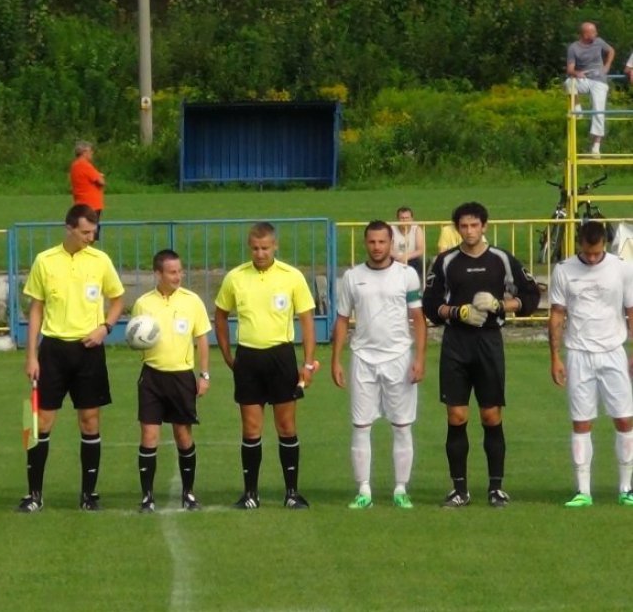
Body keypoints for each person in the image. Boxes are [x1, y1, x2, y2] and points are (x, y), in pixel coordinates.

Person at [422, 202, 540, 508]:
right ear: (457, 228)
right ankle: (459, 489)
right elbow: (430, 305)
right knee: (456, 414)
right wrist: (457, 312)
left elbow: (530, 296)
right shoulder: (446, 261)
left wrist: (501, 305)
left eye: (475, 225)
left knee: (491, 415)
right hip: (456, 343)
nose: (470, 231)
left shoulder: (501, 258)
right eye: (464, 226)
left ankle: (496, 488)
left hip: (488, 341)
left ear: (484, 226)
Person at [20, 204, 124, 512]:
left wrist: (105, 327)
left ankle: (88, 495)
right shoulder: (45, 260)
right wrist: (31, 355)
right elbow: (36, 308)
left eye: (94, 232)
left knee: (90, 421)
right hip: (52, 351)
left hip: (89, 352)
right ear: (68, 229)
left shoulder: (101, 260)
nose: (91, 238)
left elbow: (118, 300)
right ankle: (34, 495)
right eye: (85, 232)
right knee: (36, 420)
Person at [214, 222, 318, 509]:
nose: (260, 253)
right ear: (250, 247)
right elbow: (220, 315)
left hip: (281, 357)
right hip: (247, 358)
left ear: (275, 246)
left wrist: (308, 364)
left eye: (265, 248)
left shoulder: (292, 277)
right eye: (255, 248)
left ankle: (292, 493)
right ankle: (250, 494)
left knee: (286, 426)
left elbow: (308, 321)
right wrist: (227, 355)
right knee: (250, 429)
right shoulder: (235, 277)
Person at [331, 221, 426, 509]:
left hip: (399, 357)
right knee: (361, 426)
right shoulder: (351, 277)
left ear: (391, 243)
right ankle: (364, 490)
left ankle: (400, 489)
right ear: (365, 243)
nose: (377, 247)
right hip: (363, 358)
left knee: (401, 426)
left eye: (382, 242)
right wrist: (336, 359)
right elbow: (342, 319)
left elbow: (418, 319)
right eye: (371, 242)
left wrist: (419, 357)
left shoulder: (407, 275)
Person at [548, 221, 633, 508]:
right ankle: (583, 490)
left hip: (613, 351)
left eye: (597, 253)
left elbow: (631, 311)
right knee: (581, 421)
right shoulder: (564, 270)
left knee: (623, 418)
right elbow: (557, 314)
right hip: (578, 353)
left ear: (604, 246)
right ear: (580, 244)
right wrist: (555, 356)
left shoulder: (622, 268)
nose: (593, 258)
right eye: (588, 253)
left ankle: (626, 487)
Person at [132, 249, 211, 513]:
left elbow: (201, 339)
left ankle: (188, 494)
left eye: (180, 271)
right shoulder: (143, 303)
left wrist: (204, 374)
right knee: (149, 434)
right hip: (152, 376)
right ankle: (147, 497)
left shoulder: (192, 301)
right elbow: (135, 336)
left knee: (182, 434)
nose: (179, 276)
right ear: (158, 274)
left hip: (182, 377)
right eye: (172, 272)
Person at [565, 21, 615, 156]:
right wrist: (577, 73)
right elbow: (570, 69)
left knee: (598, 111)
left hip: (599, 80)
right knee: (568, 83)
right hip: (583, 78)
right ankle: (577, 107)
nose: (596, 34)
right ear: (585, 34)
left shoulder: (599, 42)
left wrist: (607, 66)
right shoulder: (573, 48)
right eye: (593, 32)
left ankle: (596, 146)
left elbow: (611, 51)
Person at [70, 141, 105, 240]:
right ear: (84, 152)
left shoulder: (74, 165)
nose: (92, 154)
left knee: (82, 231)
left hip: (80, 202)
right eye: (90, 151)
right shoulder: (85, 165)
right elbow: (101, 181)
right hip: (92, 204)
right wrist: (100, 176)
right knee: (91, 233)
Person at [391, 206, 424, 281]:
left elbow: (420, 250)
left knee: (417, 263)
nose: (404, 220)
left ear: (412, 219)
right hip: (395, 259)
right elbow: (389, 249)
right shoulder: (391, 229)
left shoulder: (417, 229)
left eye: (407, 218)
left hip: (412, 258)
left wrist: (406, 257)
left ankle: (418, 285)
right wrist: (399, 258)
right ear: (398, 219)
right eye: (402, 218)